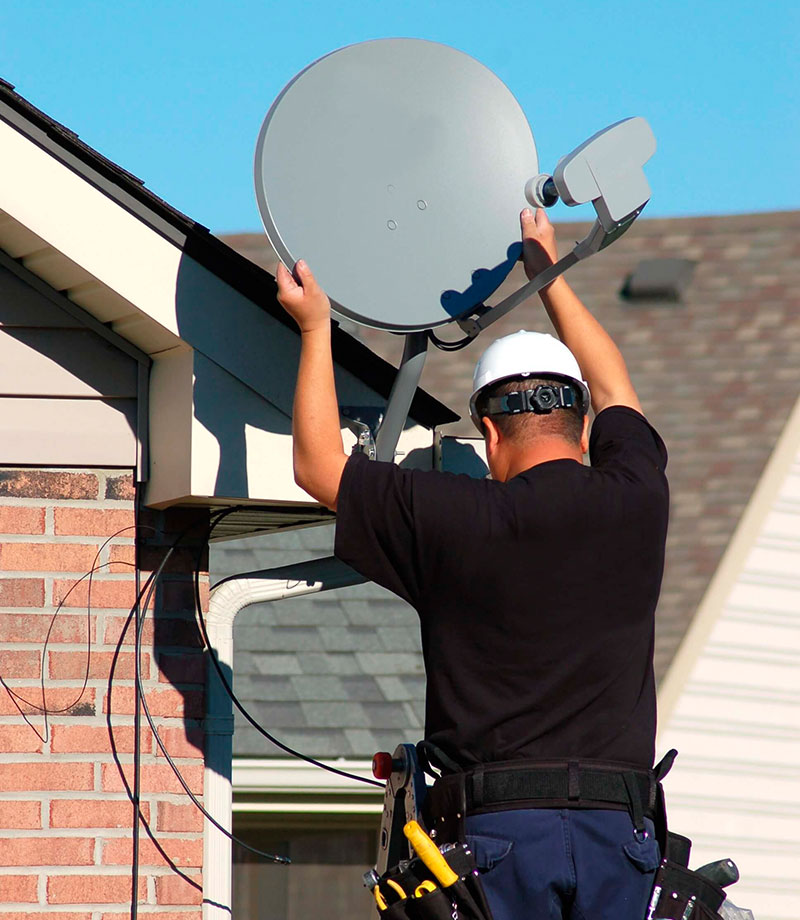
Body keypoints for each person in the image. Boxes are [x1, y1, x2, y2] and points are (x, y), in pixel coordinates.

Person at [275, 207, 669, 920]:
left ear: (488, 432)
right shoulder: (637, 496)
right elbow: (615, 385)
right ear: (582, 425)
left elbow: (317, 465)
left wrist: (313, 329)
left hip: (496, 840)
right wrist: (544, 271)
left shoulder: (452, 519)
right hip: (622, 838)